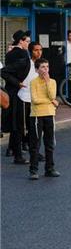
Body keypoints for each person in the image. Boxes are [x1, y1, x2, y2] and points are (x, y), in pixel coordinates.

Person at [27, 57, 60, 179]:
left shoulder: (52, 82)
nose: (45, 69)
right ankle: (33, 170)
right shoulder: (33, 82)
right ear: (37, 70)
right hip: (36, 115)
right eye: (42, 67)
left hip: (49, 114)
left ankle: (50, 168)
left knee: (49, 143)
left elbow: (52, 95)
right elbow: (35, 100)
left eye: (47, 67)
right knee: (35, 144)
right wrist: (51, 101)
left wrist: (47, 83)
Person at [3, 31, 33, 164]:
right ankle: (18, 155)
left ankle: (14, 150)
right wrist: (18, 83)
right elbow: (4, 71)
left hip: (13, 92)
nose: (28, 44)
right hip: (17, 93)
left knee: (16, 124)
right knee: (19, 125)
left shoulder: (10, 53)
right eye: (27, 41)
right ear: (21, 41)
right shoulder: (21, 54)